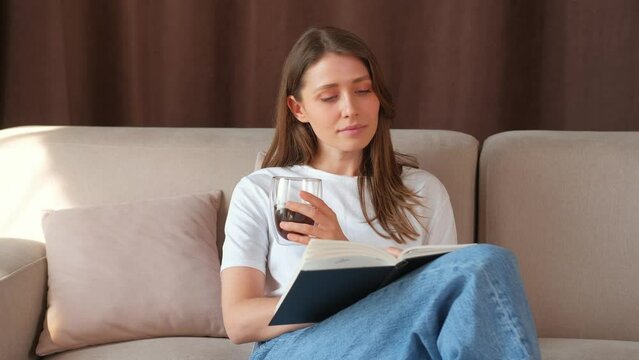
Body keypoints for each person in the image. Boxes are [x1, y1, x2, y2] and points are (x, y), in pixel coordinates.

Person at [220, 26, 541, 360]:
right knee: (482, 264)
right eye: (329, 97)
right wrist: (342, 273)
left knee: (482, 270)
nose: (350, 109)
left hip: (401, 343)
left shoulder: (422, 190)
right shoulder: (262, 189)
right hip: (299, 346)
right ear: (298, 109)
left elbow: (444, 306)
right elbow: (239, 322)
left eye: (362, 90)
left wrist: (350, 256)